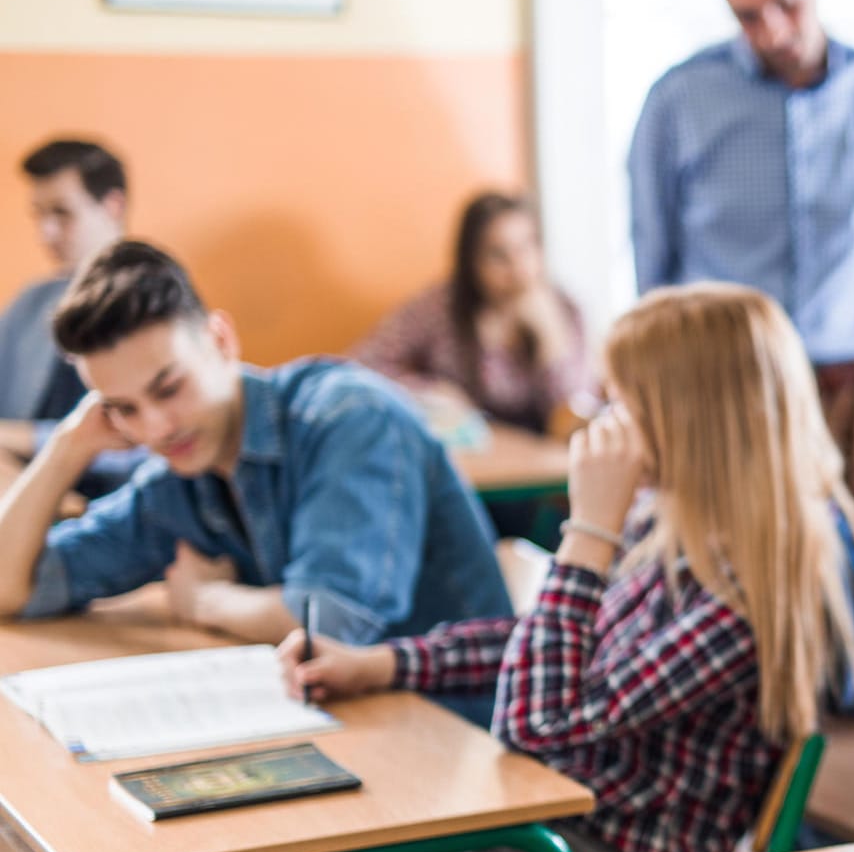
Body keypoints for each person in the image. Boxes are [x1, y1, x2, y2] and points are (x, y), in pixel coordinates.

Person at [285, 282, 854, 852]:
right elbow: (547, 643)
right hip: (540, 834)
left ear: (690, 421)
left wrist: (587, 529)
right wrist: (385, 661)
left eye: (621, 403)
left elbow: (536, 722)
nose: (600, 422)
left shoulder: (747, 598)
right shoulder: (671, 524)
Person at [0, 240, 509, 654]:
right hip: (349, 725)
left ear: (221, 341)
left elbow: (330, 624)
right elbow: (10, 587)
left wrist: (205, 601)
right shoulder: (177, 480)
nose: (155, 428)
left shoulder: (349, 418)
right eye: (123, 408)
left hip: (466, 738)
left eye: (169, 388)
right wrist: (67, 447)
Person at [629, 0, 854, 489]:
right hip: (725, 392)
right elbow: (654, 262)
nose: (773, 31)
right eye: (747, 15)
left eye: (787, 2)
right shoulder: (677, 100)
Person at [355, 191, 592, 437]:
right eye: (498, 255)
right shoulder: (440, 307)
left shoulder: (566, 310)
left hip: (543, 459)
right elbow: (364, 363)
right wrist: (431, 391)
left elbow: (575, 417)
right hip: (469, 453)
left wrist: (551, 342)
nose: (517, 267)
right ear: (472, 262)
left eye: (526, 247)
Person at [0, 139, 143, 494]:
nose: (45, 232)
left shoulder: (152, 303)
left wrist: (15, 439)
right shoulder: (33, 301)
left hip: (109, 505)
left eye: (62, 213)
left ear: (112, 206)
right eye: (39, 214)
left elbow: (143, 444)